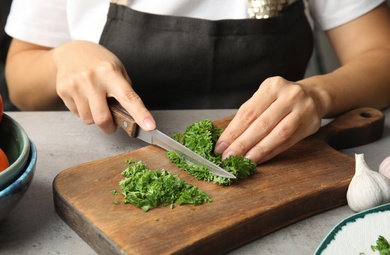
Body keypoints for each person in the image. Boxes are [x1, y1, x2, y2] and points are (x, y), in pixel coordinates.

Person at [4, 0, 390, 164]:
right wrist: (62, 58)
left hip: (283, 159)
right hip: (101, 156)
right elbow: (20, 82)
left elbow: (381, 55)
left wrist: (318, 94)